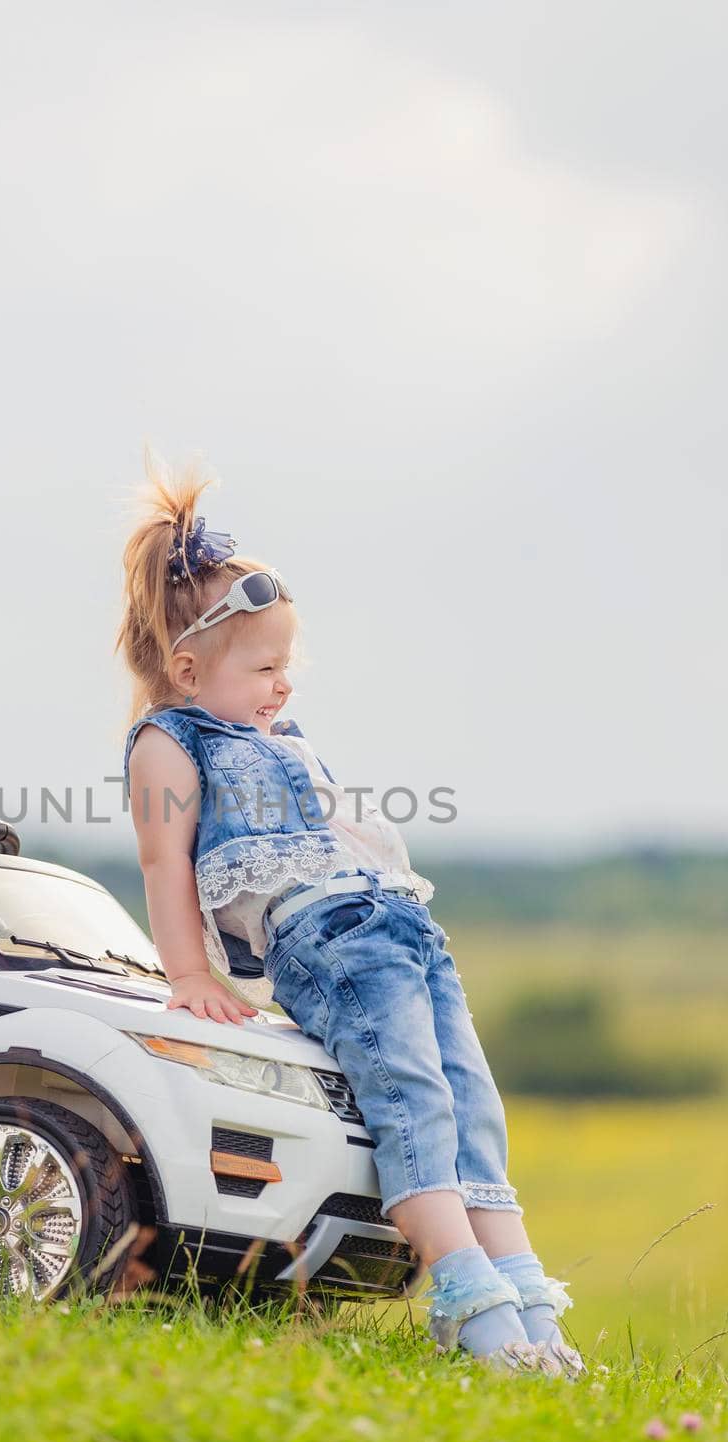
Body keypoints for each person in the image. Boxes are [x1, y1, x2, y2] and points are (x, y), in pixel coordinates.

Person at [114, 451, 585, 1379]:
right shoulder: (169, 744)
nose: (283, 684)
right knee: (409, 1099)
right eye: (263, 666)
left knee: (469, 1106)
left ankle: (533, 1312)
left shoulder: (276, 736)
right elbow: (163, 861)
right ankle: (471, 1307)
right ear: (186, 665)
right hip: (329, 942)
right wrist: (190, 974)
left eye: (287, 664)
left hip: (401, 928)